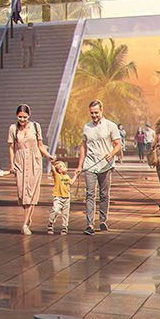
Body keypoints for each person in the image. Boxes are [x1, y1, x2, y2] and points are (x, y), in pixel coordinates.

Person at [79, 99, 124, 235]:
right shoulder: (87, 127)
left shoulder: (111, 126)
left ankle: (103, 220)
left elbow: (118, 144)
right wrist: (80, 165)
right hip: (90, 165)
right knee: (90, 194)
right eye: (92, 113)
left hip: (105, 165)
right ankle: (89, 224)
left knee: (104, 194)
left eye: (96, 113)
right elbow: (83, 146)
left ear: (101, 111)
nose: (94, 115)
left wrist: (111, 154)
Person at [8, 104, 47, 234]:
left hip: (34, 161)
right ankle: (28, 217)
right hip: (20, 161)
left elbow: (40, 145)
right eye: (20, 117)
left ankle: (25, 224)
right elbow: (11, 148)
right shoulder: (13, 128)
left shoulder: (36, 126)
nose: (22, 119)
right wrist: (12, 164)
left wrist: (48, 156)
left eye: (25, 117)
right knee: (22, 193)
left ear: (29, 116)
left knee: (31, 192)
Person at [47, 158, 74, 235]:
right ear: (59, 170)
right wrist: (51, 162)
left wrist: (76, 175)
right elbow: (53, 169)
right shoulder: (57, 176)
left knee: (65, 214)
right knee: (55, 210)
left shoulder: (67, 177)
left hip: (66, 197)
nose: (65, 167)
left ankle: (65, 227)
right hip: (58, 197)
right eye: (63, 166)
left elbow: (71, 182)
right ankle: (50, 223)